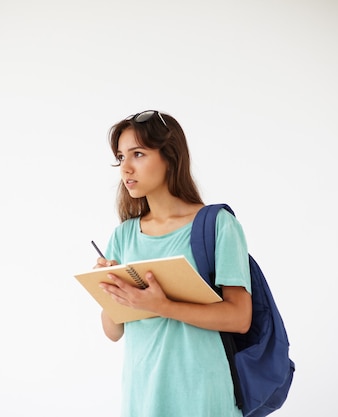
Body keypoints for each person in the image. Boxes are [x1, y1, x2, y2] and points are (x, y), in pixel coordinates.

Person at [95, 110, 252, 417]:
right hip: (143, 393)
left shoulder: (218, 225)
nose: (125, 168)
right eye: (120, 157)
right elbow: (113, 332)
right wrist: (110, 292)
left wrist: (162, 305)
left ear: (170, 157)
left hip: (203, 393)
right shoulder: (124, 235)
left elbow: (239, 317)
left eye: (138, 154)